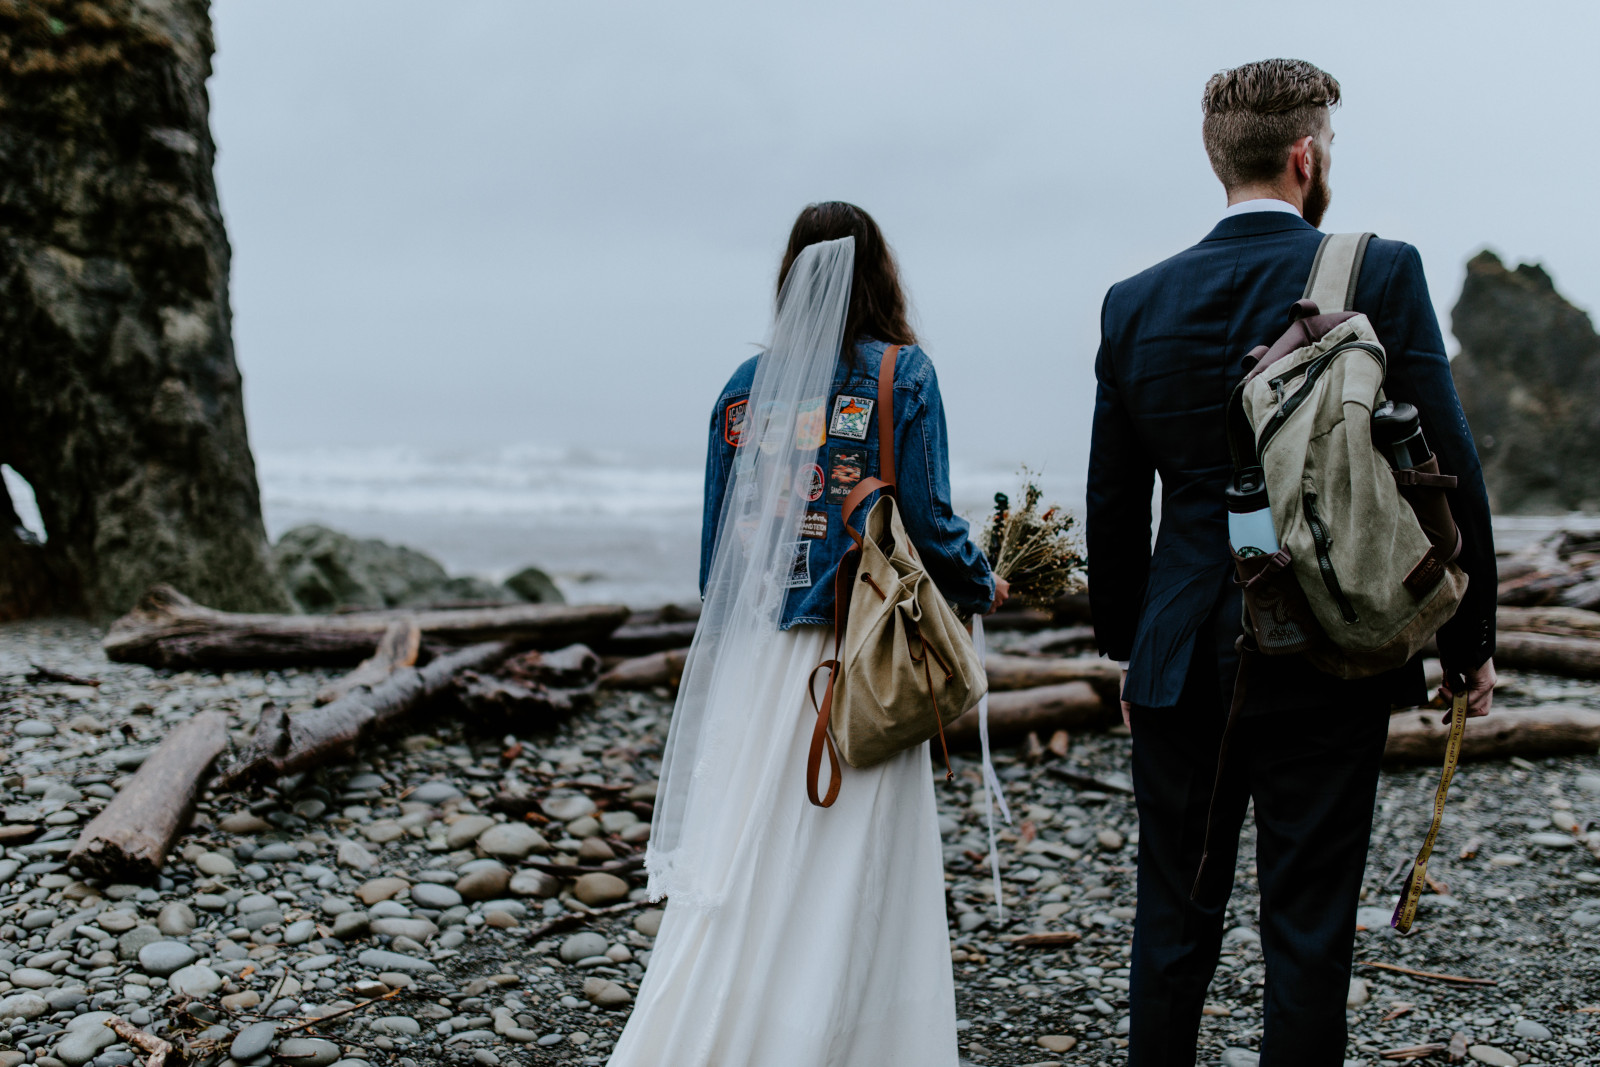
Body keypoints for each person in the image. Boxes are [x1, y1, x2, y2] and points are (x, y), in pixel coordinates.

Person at [1085, 59, 1498, 1066]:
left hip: (1181, 648)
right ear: (1306, 157)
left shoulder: (1132, 302)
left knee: (1173, 920)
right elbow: (1444, 465)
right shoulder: (1379, 270)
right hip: (1326, 643)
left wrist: (1130, 652)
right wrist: (1465, 641)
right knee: (1306, 928)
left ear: (1216, 157)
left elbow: (1111, 502)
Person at [607, 202, 1006, 1066]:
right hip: (860, 658)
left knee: (749, 864)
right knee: (854, 867)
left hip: (761, 671)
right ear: (881, 272)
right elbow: (931, 527)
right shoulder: (904, 375)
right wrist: (986, 583)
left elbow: (717, 564)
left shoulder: (741, 392)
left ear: (792, 276)